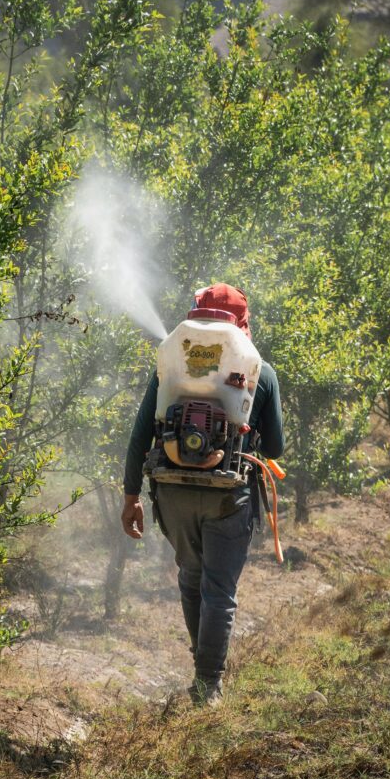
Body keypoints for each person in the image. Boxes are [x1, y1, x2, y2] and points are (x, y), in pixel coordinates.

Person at [121, 283, 284, 706]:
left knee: (191, 579)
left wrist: (130, 496)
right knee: (219, 591)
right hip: (228, 495)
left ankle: (202, 674)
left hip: (171, 490)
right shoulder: (260, 371)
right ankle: (208, 684)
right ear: (242, 321)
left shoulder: (170, 365)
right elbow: (275, 449)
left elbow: (140, 435)